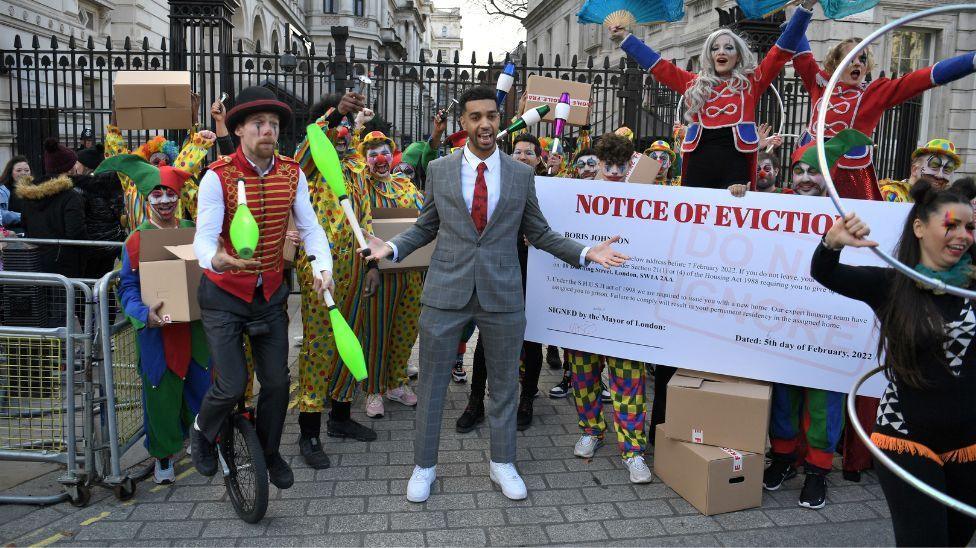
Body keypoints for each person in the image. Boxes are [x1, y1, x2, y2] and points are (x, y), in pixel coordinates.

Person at [361, 85, 629, 503]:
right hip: (446, 291)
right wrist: (391, 248)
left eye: (490, 115)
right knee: (432, 384)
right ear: (463, 122)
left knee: (505, 383)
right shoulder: (440, 170)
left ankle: (502, 462)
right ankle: (424, 466)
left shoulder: (521, 174)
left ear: (499, 120)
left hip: (503, 293)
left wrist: (585, 252)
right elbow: (426, 226)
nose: (484, 124)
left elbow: (538, 232)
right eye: (475, 117)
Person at [813, 181, 976, 545]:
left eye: (970, 227)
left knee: (958, 537)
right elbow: (826, 273)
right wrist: (833, 243)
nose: (962, 236)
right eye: (951, 225)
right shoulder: (892, 285)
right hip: (906, 437)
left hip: (968, 441)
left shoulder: (972, 287)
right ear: (919, 227)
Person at [189, 86, 335, 491]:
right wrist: (216, 258)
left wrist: (323, 267)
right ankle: (202, 430)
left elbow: (309, 228)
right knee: (233, 384)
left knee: (276, 383)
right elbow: (203, 237)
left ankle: (269, 453)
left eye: (273, 124)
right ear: (238, 130)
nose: (268, 130)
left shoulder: (293, 173)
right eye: (258, 124)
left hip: (270, 293)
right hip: (223, 295)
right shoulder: (218, 177)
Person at [611, 1, 814, 189]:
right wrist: (626, 39)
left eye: (728, 47)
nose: (721, 52)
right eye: (715, 48)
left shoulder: (751, 83)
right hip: (699, 167)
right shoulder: (694, 83)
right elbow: (658, 66)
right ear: (709, 55)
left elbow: (779, 53)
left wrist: (804, 9)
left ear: (738, 55)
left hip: (736, 171)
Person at [292, 90, 377, 469]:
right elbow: (310, 145)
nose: (345, 132)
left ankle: (340, 417)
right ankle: (308, 429)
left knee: (352, 335)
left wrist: (373, 265)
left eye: (348, 126)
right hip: (319, 269)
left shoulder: (356, 163)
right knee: (319, 345)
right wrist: (333, 114)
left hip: (357, 265)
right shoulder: (307, 161)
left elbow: (366, 215)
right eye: (339, 125)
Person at [113, 158, 210, 484]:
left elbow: (209, 274)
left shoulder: (193, 232)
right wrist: (143, 314)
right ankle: (164, 456)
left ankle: (204, 444)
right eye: (157, 195)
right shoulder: (136, 241)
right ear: (146, 199)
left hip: (195, 332)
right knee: (161, 396)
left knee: (202, 388)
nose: (165, 201)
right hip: (157, 334)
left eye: (169, 193)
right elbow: (126, 287)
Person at [792, 36, 975, 200]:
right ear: (836, 62)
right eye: (851, 58)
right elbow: (802, 56)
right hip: (812, 172)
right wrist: (801, 10)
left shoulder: (873, 94)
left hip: (849, 177)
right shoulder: (820, 84)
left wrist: (970, 61)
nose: (857, 63)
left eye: (862, 59)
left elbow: (918, 80)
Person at [567, 133, 652, 484]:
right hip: (582, 306)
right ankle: (591, 430)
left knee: (629, 382)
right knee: (583, 376)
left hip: (627, 308)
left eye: (621, 165)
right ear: (597, 165)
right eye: (608, 165)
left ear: (631, 163)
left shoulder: (647, 199)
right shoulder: (573, 196)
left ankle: (633, 451)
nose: (615, 172)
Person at [456, 133, 548, 433]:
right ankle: (475, 401)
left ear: (539, 159)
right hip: (501, 269)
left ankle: (527, 399)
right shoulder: (503, 181)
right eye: (518, 152)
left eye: (529, 153)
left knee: (530, 338)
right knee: (487, 338)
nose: (523, 157)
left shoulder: (553, 187)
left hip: (535, 272)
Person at [357, 130, 424, 419]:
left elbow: (425, 217)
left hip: (410, 270)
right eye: (372, 155)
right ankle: (373, 388)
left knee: (406, 328)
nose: (380, 159)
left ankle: (396, 382)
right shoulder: (361, 187)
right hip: (378, 271)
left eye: (384, 153)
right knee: (376, 331)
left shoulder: (405, 186)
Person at [106, 92, 217, 230]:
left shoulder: (178, 185)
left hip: (174, 243)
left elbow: (187, 164)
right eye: (156, 161)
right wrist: (115, 117)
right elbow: (116, 152)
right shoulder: (132, 181)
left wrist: (194, 120)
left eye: (166, 161)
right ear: (146, 163)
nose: (162, 164)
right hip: (142, 244)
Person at [15, 139, 88, 278]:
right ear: (67, 169)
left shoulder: (29, 194)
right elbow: (75, 232)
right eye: (73, 164)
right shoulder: (71, 196)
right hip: (66, 265)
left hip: (36, 260)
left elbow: (24, 224)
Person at [75, 170, 125, 278]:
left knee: (89, 277)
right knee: (105, 277)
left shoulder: (84, 191)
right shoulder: (116, 193)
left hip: (92, 244)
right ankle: (106, 294)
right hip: (111, 243)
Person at [881, 139, 962, 202]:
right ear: (914, 169)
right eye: (934, 165)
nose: (940, 175)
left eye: (948, 169)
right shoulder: (892, 194)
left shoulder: (943, 203)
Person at [0, 155, 29, 229]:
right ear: (10, 172)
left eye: (26, 170)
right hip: (11, 234)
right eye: (19, 170)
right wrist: (24, 217)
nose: (23, 173)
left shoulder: (35, 189)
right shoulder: (3, 190)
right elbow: (1, 214)